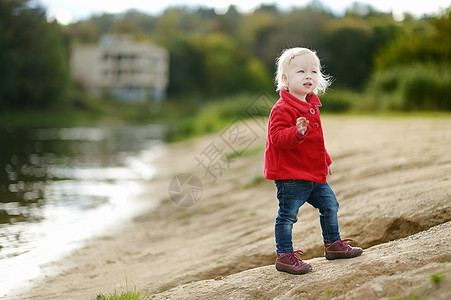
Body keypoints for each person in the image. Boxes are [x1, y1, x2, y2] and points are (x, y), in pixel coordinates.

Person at [263, 47, 363, 275]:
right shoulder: (282, 108)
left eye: (313, 71)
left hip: (313, 173)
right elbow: (278, 138)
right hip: (291, 177)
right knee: (288, 215)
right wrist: (296, 132)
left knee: (330, 206)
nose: (309, 76)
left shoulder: (311, 105)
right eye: (301, 71)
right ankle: (284, 255)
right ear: (285, 79)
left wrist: (324, 158)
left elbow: (315, 142)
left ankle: (333, 244)